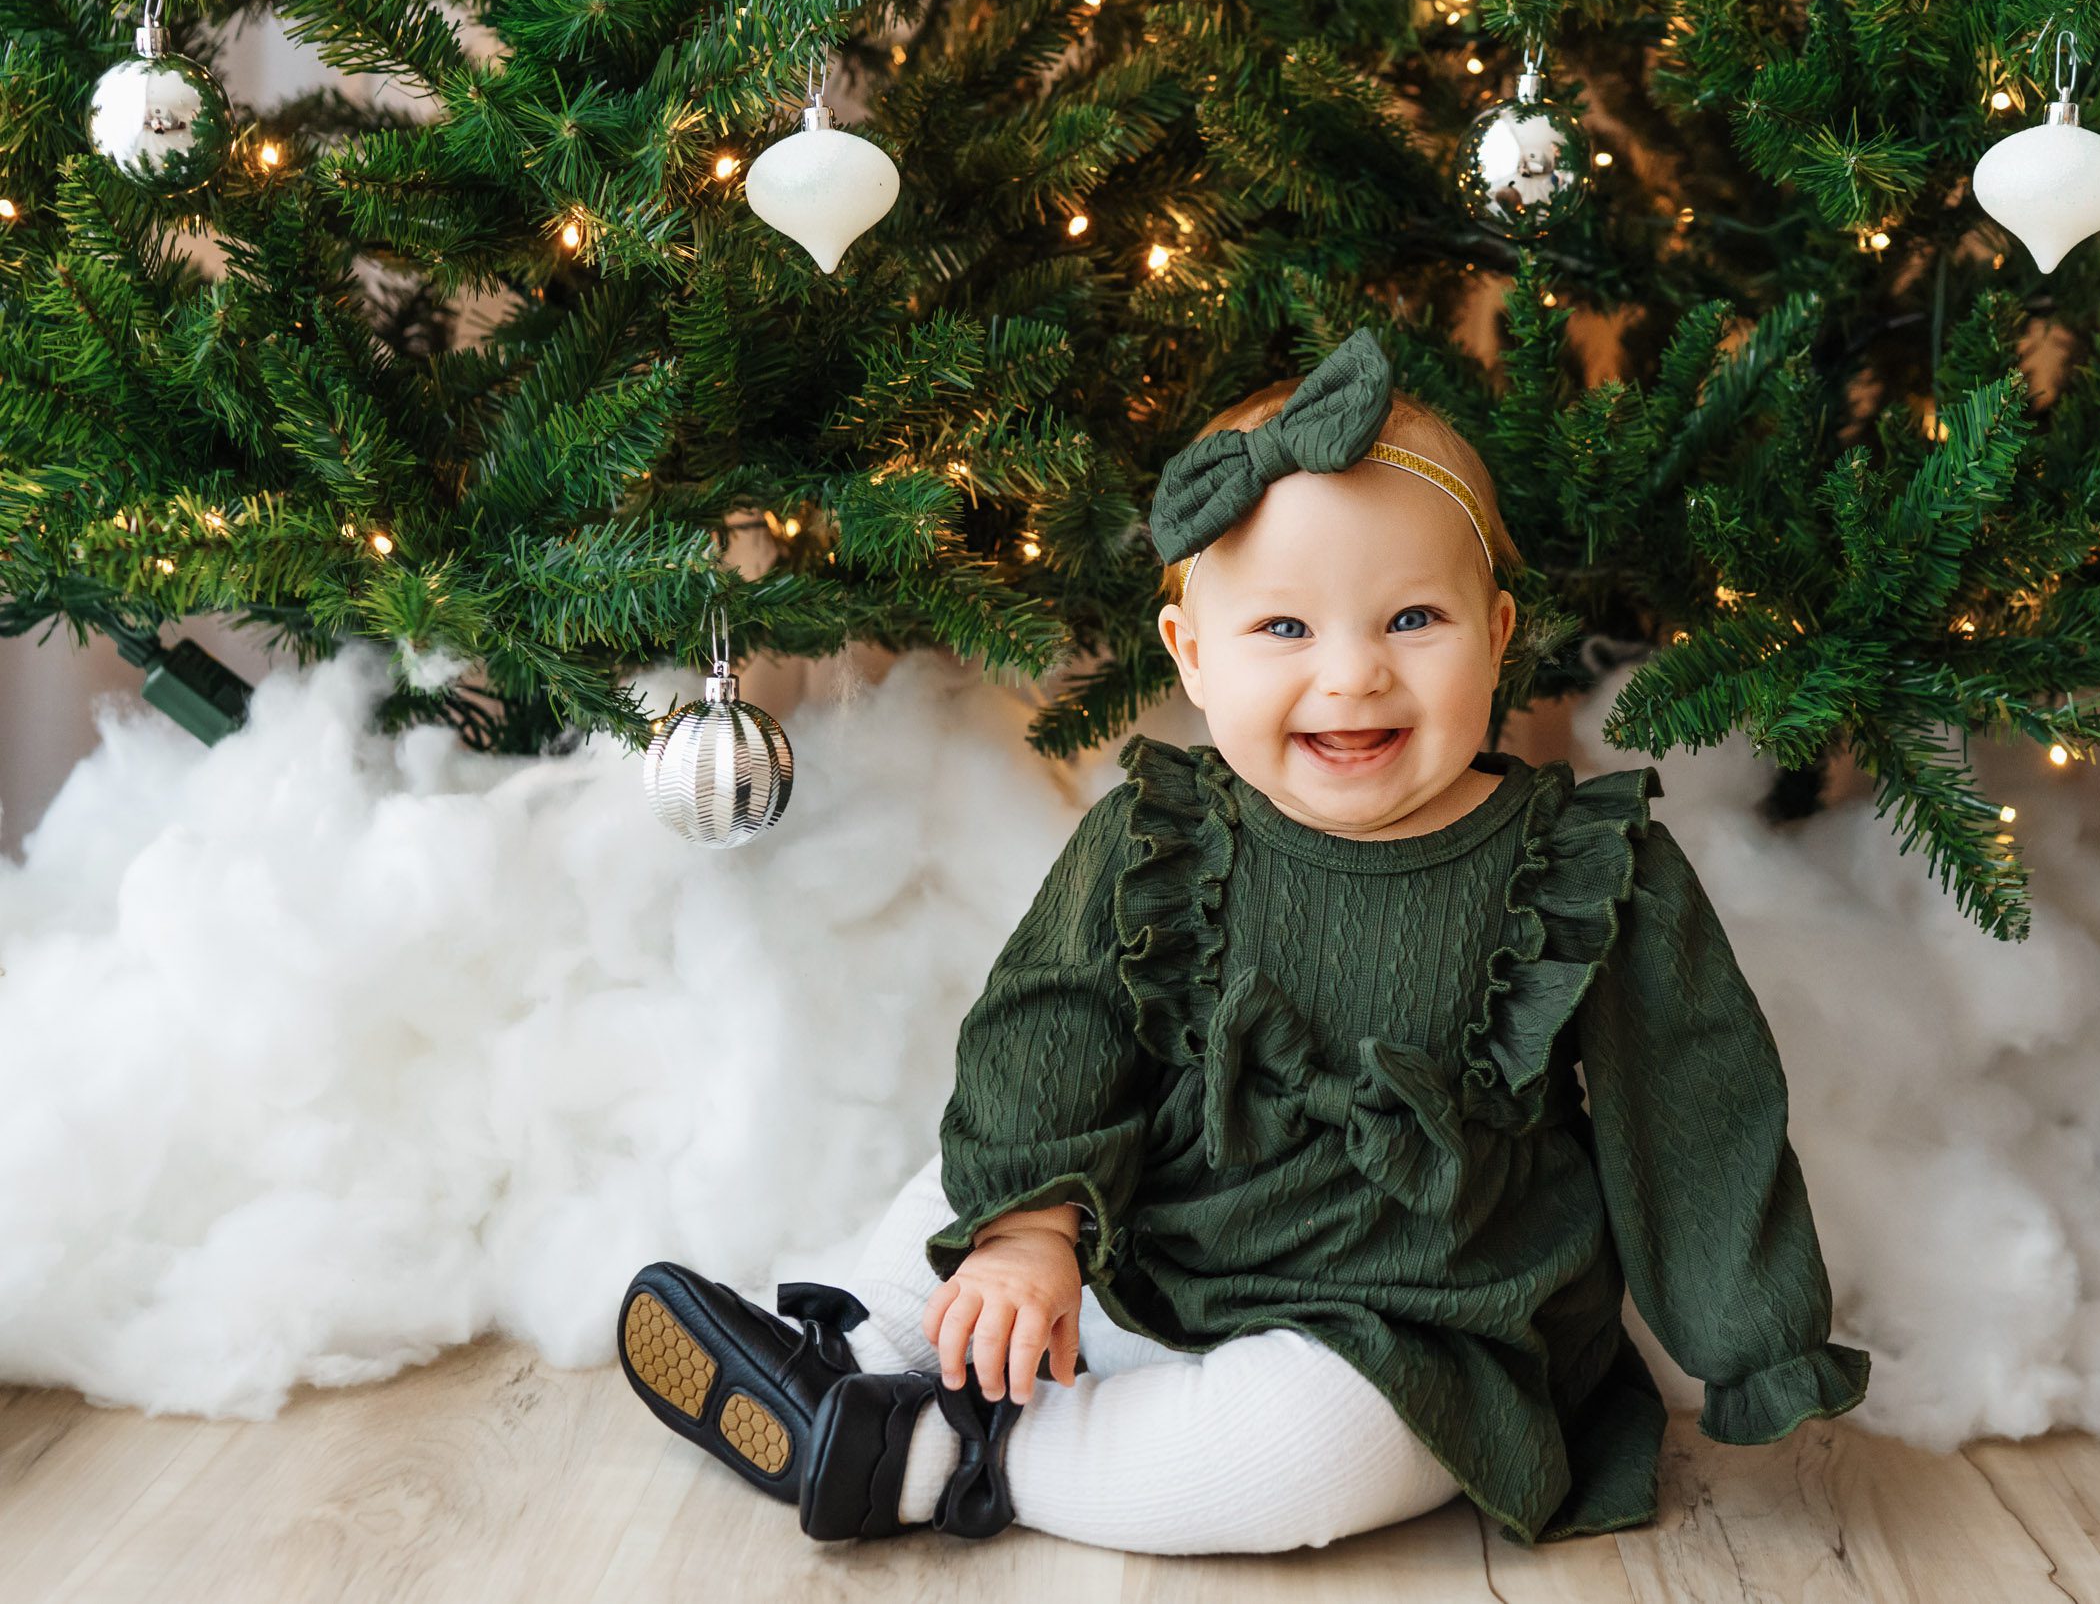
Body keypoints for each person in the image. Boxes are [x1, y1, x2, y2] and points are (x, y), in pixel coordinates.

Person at [614, 327, 1871, 1552]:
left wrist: (1755, 1340)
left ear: (1497, 633)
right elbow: (1047, 1025)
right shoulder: (1156, 835)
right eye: (1284, 630)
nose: (1352, 676)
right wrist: (1031, 1232)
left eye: (1412, 620)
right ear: (1193, 655)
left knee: (1297, 1457)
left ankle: (939, 1450)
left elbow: (1693, 1105)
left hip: (1412, 1323)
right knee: (962, 1190)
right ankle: (850, 1347)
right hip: (1134, 1251)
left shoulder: (1584, 862)